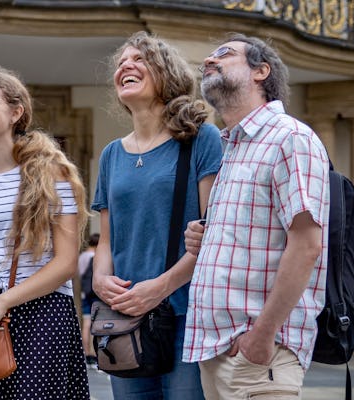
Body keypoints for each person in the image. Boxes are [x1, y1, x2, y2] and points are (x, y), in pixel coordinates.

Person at [182, 33, 329, 399]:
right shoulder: (232, 146)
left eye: (224, 55)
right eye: (208, 59)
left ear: (261, 71)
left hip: (260, 354)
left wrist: (262, 337)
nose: (209, 62)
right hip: (217, 351)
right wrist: (205, 238)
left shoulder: (291, 137)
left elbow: (308, 245)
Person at [0, 64, 90, 399]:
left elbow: (66, 263)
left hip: (44, 312)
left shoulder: (52, 174)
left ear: (15, 112)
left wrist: (2, 304)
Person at [90, 31, 222, 399]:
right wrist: (101, 280)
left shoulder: (201, 139)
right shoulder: (111, 154)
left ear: (167, 74)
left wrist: (160, 287)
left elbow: (214, 234)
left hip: (185, 314)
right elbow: (107, 237)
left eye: (139, 59)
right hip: (124, 318)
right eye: (120, 63)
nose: (125, 66)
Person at [77, 232, 99, 366]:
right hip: (94, 294)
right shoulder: (94, 257)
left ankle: (86, 352)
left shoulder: (82, 257)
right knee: (95, 324)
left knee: (86, 323)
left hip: (84, 292)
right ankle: (93, 352)